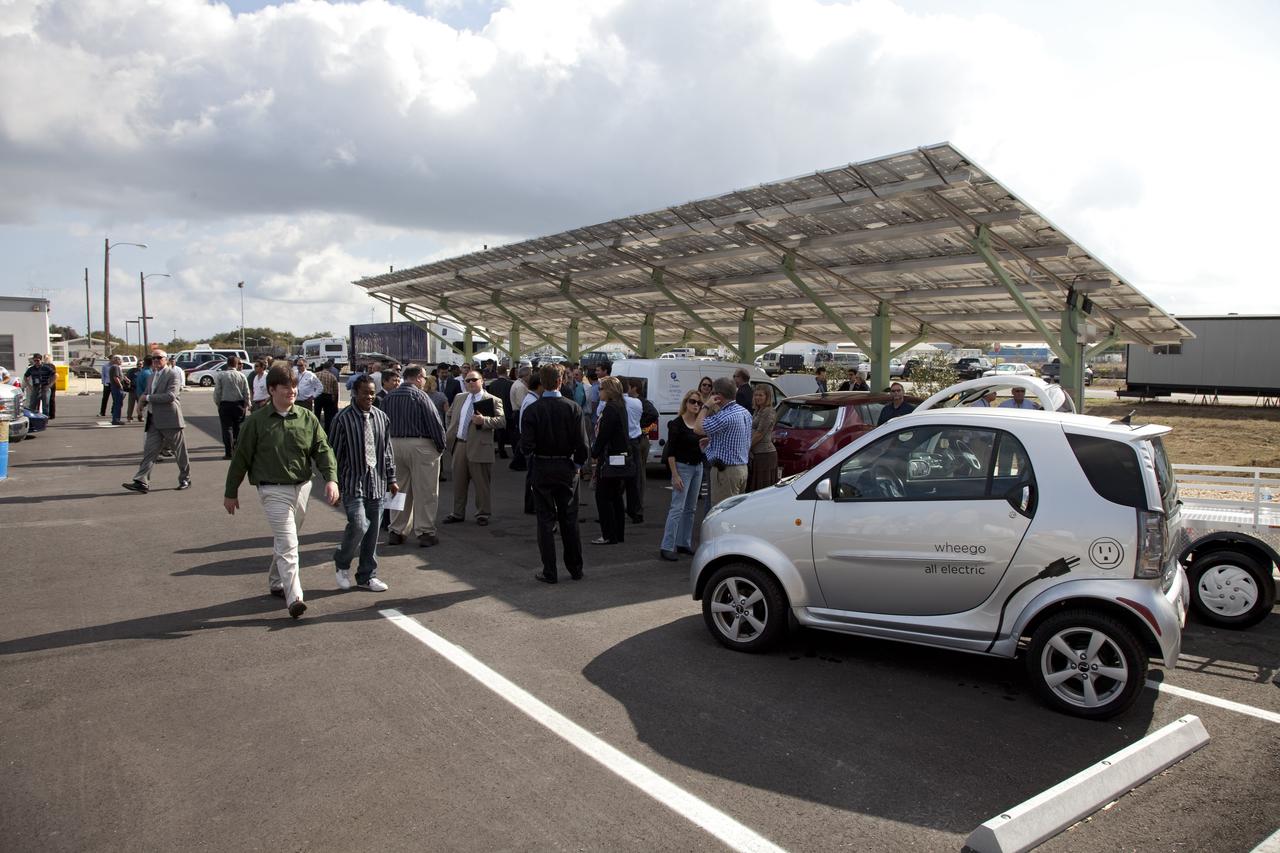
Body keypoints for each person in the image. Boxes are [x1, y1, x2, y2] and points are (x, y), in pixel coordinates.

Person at [223, 364, 340, 618]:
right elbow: (240, 458)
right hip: (273, 491)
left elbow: (322, 449)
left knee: (288, 536)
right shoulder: (256, 422)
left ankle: (277, 580)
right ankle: (294, 597)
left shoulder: (307, 417)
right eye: (286, 386)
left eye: (294, 386)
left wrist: (331, 479)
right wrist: (231, 491)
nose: (292, 391)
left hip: (302, 487)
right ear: (271, 390)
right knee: (289, 543)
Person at [329, 375, 398, 592]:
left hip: (376, 483)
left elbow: (387, 451)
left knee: (373, 533)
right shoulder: (342, 419)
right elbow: (334, 453)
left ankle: (367, 575)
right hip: (352, 483)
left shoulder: (381, 418)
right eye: (364, 393)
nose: (369, 396)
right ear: (355, 393)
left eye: (371, 392)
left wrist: (392, 478)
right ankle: (342, 562)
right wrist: (334, 483)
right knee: (359, 524)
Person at [522, 364, 590, 583]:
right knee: (569, 519)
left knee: (544, 520)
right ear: (561, 381)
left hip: (542, 466)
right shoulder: (573, 408)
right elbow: (582, 444)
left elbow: (526, 445)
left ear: (541, 382)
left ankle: (549, 571)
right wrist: (578, 465)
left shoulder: (533, 409)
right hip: (566, 468)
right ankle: (575, 568)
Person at [382, 365, 447, 547]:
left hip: (394, 445)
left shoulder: (389, 397)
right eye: (424, 378)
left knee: (397, 490)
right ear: (418, 377)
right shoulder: (420, 396)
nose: (425, 381)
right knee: (426, 491)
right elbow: (435, 423)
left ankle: (396, 530)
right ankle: (425, 531)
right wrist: (440, 447)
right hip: (420, 445)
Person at [443, 368, 506, 526]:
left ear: (482, 381)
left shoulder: (492, 399)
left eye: (474, 379)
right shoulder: (460, 397)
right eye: (467, 380)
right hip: (460, 445)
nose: (470, 383)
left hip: (480, 447)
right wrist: (451, 430)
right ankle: (457, 513)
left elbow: (502, 421)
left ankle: (483, 513)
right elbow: (449, 414)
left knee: (481, 484)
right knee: (458, 482)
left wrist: (484, 421)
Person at [122, 351, 191, 493]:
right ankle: (142, 482)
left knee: (179, 452)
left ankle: (185, 478)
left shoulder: (172, 375)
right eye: (153, 358)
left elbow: (170, 396)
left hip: (170, 420)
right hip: (153, 420)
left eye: (159, 358)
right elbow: (147, 393)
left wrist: (146, 398)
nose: (155, 360)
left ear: (165, 360)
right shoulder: (152, 375)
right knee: (149, 452)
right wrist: (140, 405)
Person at [659, 390, 705, 561]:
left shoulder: (701, 424)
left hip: (697, 467)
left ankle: (683, 543)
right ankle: (667, 545)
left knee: (691, 508)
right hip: (682, 467)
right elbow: (671, 452)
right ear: (686, 402)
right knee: (677, 508)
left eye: (699, 403)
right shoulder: (676, 424)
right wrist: (675, 475)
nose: (696, 405)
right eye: (693, 401)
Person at [694, 376, 752, 505]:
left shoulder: (724, 416)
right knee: (735, 511)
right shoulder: (744, 412)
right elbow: (739, 438)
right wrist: (713, 440)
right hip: (741, 468)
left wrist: (706, 406)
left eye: (713, 393)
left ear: (718, 396)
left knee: (722, 512)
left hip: (726, 472)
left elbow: (697, 428)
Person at [590, 376, 629, 546]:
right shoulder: (620, 406)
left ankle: (608, 534)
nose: (599, 392)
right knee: (615, 496)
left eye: (601, 389)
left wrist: (594, 452)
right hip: (620, 456)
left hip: (609, 457)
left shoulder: (610, 409)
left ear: (609, 390)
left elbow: (604, 435)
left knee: (603, 496)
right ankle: (617, 533)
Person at [213, 355, 251, 459]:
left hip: (225, 404)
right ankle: (238, 452)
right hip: (238, 405)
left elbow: (217, 393)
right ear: (236, 364)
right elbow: (246, 392)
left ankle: (228, 453)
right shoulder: (241, 376)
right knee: (238, 428)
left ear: (227, 364)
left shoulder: (221, 376)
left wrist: (218, 404)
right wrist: (247, 404)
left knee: (227, 429)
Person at [747, 385, 778, 492]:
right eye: (756, 395)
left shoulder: (768, 411)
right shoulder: (758, 410)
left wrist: (746, 447)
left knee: (762, 489)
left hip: (765, 455)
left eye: (761, 395)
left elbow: (760, 433)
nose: (757, 397)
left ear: (767, 396)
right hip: (756, 454)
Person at [508, 365, 532, 471]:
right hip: (519, 412)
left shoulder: (518, 384)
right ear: (526, 375)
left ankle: (517, 461)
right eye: (530, 374)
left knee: (520, 437)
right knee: (522, 437)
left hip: (517, 412)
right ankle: (517, 461)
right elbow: (522, 403)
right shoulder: (521, 387)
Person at [315, 358, 340, 433]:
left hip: (318, 396)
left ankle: (316, 429)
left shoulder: (316, 375)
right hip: (328, 397)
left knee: (317, 413)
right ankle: (327, 431)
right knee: (328, 415)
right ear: (330, 368)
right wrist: (334, 398)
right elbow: (335, 390)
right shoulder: (332, 377)